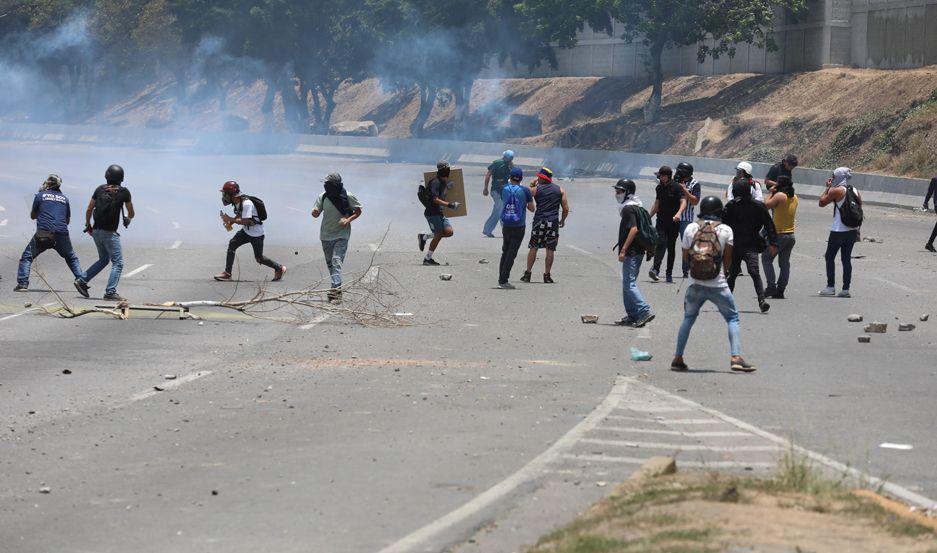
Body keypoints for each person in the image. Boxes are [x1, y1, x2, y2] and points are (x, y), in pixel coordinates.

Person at [671, 196, 756, 373]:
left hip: (695, 283)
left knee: (688, 318)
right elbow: (728, 261)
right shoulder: (726, 230)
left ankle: (678, 357)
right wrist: (724, 274)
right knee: (732, 318)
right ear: (719, 211)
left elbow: (685, 257)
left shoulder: (691, 227)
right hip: (718, 284)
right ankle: (736, 357)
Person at [14, 175, 89, 296]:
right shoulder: (65, 199)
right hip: (61, 234)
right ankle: (81, 280)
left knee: (27, 257)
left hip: (44, 233)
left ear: (49, 184)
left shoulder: (40, 196)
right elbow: (67, 221)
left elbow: (33, 216)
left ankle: (22, 284)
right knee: (71, 257)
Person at [723, 177, 778, 313]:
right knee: (751, 273)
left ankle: (760, 301)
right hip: (747, 244)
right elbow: (770, 225)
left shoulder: (732, 206)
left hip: (739, 245)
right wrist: (773, 243)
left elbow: (722, 225)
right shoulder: (756, 205)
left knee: (736, 274)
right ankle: (759, 300)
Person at [214, 180, 286, 282]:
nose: (224, 196)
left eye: (225, 194)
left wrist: (229, 219)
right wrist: (231, 223)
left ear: (231, 194)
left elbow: (246, 221)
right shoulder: (237, 202)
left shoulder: (246, 203)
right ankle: (227, 273)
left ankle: (279, 268)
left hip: (256, 234)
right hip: (246, 232)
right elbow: (240, 214)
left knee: (259, 258)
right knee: (232, 244)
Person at [82, 164, 134, 301]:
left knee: (104, 259)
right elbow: (131, 212)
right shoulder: (124, 192)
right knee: (118, 263)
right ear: (121, 178)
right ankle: (110, 292)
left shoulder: (99, 189)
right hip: (109, 233)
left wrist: (88, 225)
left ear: (107, 176)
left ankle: (82, 280)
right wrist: (127, 219)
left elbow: (89, 209)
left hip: (96, 231)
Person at [312, 172, 362, 303]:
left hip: (342, 235)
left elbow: (358, 211)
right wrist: (315, 212)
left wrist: (348, 220)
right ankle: (335, 289)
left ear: (334, 184)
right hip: (326, 235)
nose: (325, 186)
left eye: (328, 183)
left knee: (336, 261)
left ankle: (336, 290)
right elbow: (316, 212)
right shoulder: (323, 197)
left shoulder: (348, 196)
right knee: (330, 264)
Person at [614, 179, 654, 327]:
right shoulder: (637, 206)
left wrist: (623, 250)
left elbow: (634, 229)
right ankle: (632, 315)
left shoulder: (628, 208)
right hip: (638, 251)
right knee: (627, 284)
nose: (617, 194)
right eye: (616, 191)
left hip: (632, 252)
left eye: (620, 191)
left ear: (628, 193)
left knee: (629, 284)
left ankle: (644, 311)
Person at [520, 167, 569, 284]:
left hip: (539, 221)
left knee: (533, 247)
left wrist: (531, 185)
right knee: (550, 249)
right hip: (553, 222)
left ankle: (527, 274)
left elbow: (525, 195)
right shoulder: (560, 190)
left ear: (542, 178)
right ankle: (547, 275)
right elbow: (566, 209)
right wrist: (562, 220)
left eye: (539, 177)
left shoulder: (535, 189)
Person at [818, 167, 861, 297]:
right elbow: (859, 209)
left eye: (834, 175)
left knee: (829, 257)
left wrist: (827, 187)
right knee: (846, 259)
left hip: (838, 230)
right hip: (852, 231)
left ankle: (830, 287)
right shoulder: (854, 190)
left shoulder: (836, 190)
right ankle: (846, 289)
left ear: (838, 177)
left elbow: (821, 203)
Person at [497, 167, 535, 289]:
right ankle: (503, 280)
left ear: (510, 177)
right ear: (521, 178)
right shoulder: (525, 190)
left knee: (505, 251)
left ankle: (501, 278)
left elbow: (504, 200)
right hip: (519, 226)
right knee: (511, 254)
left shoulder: (504, 189)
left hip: (506, 224)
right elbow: (532, 208)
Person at [648, 166, 686, 283]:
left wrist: (679, 213)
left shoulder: (677, 187)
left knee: (671, 248)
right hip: (661, 221)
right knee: (660, 242)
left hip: (673, 222)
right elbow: (657, 203)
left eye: (661, 176)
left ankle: (669, 273)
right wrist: (648, 217)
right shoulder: (659, 187)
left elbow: (683, 201)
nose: (660, 177)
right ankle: (655, 269)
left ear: (667, 176)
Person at [762, 175, 798, 299]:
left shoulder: (779, 196)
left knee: (766, 258)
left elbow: (766, 205)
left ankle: (771, 286)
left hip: (779, 235)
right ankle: (780, 289)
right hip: (790, 235)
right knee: (784, 263)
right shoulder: (794, 197)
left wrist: (771, 192)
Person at [418, 161, 460, 266]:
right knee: (439, 234)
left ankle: (424, 237)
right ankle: (427, 259)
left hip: (439, 212)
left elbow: (442, 193)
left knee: (449, 232)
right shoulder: (435, 182)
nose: (449, 171)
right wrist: (450, 205)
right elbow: (435, 199)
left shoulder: (443, 182)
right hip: (432, 213)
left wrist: (448, 187)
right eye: (447, 169)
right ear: (443, 170)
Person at [675, 162, 701, 278]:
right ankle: (658, 268)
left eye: (680, 171)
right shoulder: (674, 180)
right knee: (665, 243)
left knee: (686, 245)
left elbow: (695, 201)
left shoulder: (695, 184)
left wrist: (684, 189)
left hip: (686, 219)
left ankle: (687, 270)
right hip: (673, 217)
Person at [483, 150, 514, 237]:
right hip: (496, 191)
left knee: (498, 210)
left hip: (504, 191)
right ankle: (505, 231)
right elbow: (488, 175)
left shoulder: (510, 165)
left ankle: (487, 230)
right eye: (510, 158)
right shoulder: (496, 163)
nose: (511, 160)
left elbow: (514, 175)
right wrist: (485, 188)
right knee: (501, 210)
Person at [924, 174, 937, 252]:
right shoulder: (935, 179)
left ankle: (929, 243)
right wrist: (925, 202)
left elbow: (930, 191)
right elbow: (930, 191)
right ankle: (929, 243)